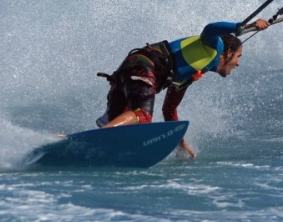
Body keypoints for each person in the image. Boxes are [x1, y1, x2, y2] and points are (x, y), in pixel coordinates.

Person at [96, 19, 269, 157]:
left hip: (130, 69)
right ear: (228, 52)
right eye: (238, 56)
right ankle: (101, 137)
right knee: (142, 115)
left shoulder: (187, 74)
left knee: (119, 123)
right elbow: (210, 29)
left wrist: (178, 143)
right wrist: (240, 26)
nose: (238, 63)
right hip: (143, 68)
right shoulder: (214, 48)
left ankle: (88, 142)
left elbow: (169, 110)